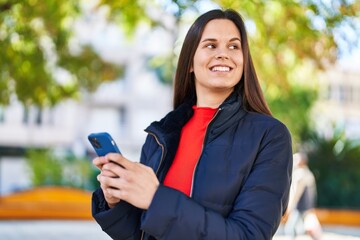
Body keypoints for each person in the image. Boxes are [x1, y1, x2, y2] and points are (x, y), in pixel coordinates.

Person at [91, 9, 293, 240]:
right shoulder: (161, 136)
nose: (223, 54)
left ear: (244, 61)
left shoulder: (270, 136)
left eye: (234, 46)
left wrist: (156, 199)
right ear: (190, 63)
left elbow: (249, 235)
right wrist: (116, 201)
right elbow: (140, 234)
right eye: (210, 45)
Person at [284, 152, 321, 240]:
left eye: (296, 159)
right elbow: (314, 192)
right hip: (307, 207)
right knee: (305, 227)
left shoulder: (300, 174)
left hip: (300, 207)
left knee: (290, 229)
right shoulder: (309, 173)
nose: (294, 161)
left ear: (302, 161)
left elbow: (296, 193)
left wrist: (290, 206)